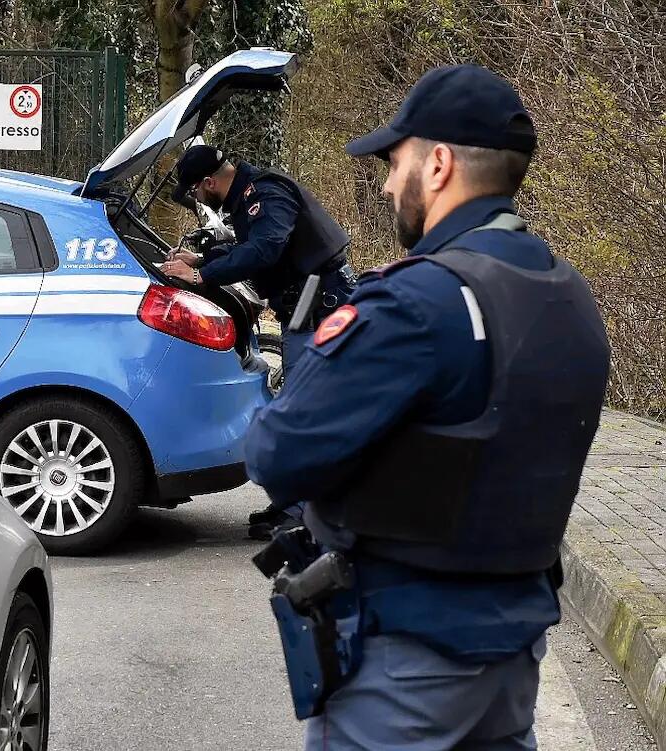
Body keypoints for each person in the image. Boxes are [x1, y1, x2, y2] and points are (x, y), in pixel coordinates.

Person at [244, 64, 611, 749]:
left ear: (438, 165)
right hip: (511, 660)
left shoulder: (414, 303)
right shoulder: (569, 296)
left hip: (404, 664)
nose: (388, 185)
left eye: (395, 163)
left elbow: (276, 454)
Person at [160, 144, 357, 375]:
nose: (198, 200)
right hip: (308, 306)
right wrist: (201, 261)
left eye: (194, 192)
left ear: (209, 182)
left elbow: (265, 248)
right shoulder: (247, 194)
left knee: (307, 392)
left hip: (321, 306)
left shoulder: (265, 192)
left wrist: (201, 275)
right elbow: (251, 247)